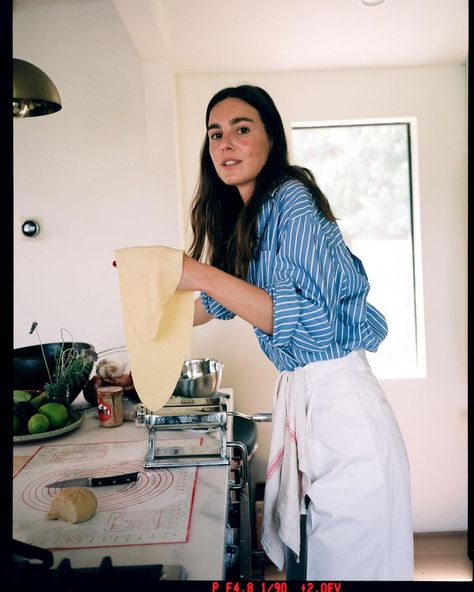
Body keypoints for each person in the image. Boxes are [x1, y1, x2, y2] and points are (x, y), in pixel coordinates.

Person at [177, 84, 413, 581]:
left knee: (355, 569)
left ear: (271, 138)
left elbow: (313, 321)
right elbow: (215, 304)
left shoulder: (292, 199)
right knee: (326, 567)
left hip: (344, 405)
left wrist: (197, 272)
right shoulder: (251, 221)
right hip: (315, 404)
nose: (226, 144)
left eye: (242, 129)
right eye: (215, 134)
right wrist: (147, 316)